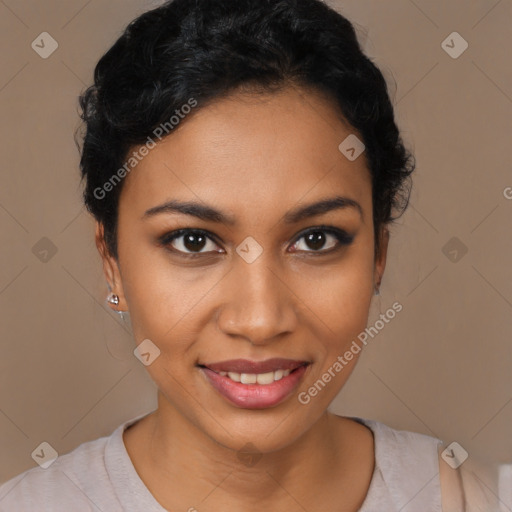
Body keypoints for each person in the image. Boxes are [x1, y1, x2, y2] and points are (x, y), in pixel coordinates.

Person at [0, 0, 501, 510]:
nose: (260, 321)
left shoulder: (475, 497)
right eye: (193, 241)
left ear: (378, 256)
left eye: (316, 239)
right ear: (112, 262)